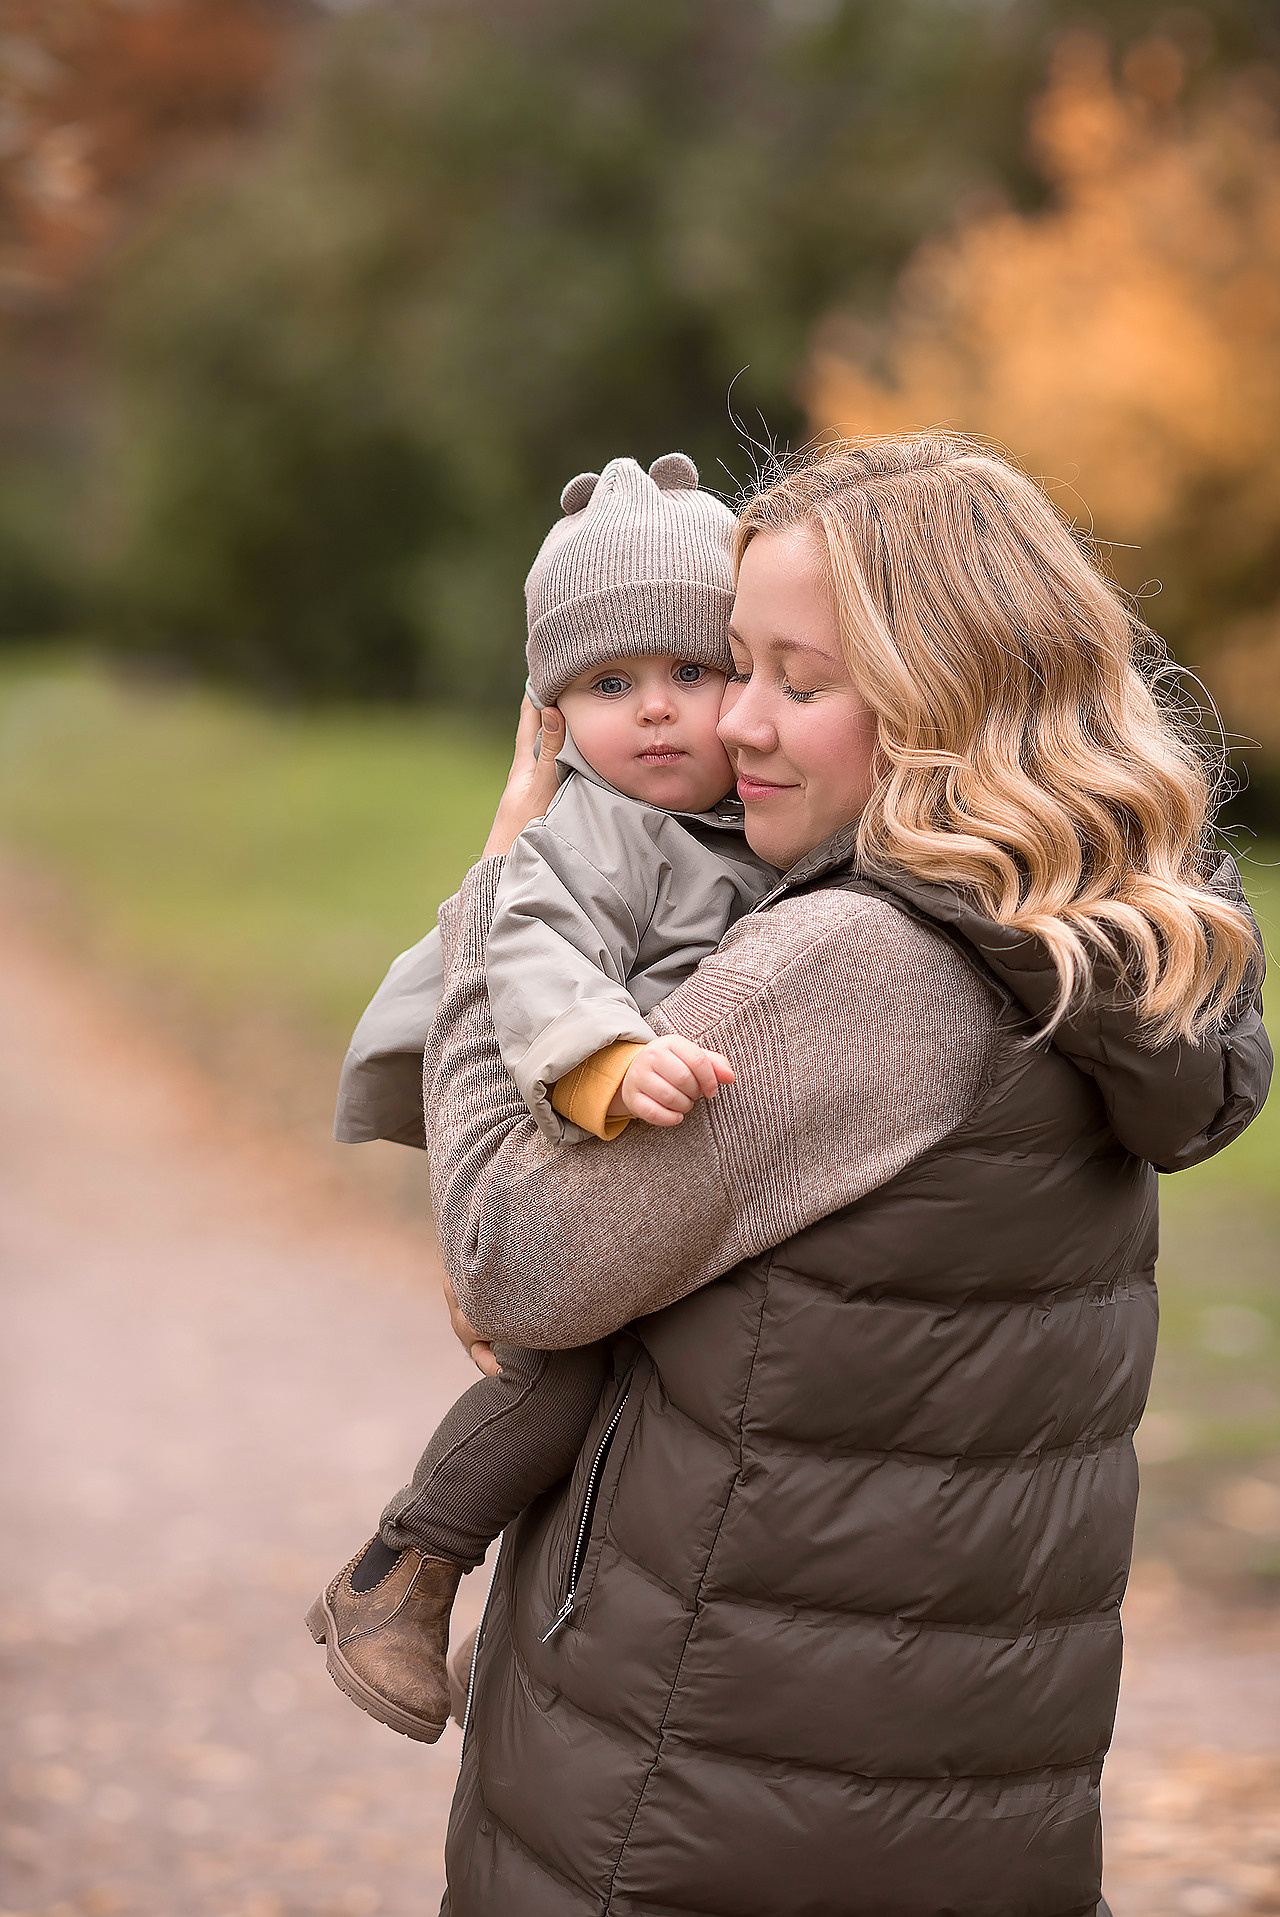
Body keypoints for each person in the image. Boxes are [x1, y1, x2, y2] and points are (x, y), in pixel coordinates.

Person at [420, 436, 1272, 1917]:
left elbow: (513, 1262)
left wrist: (495, 903)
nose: (732, 720)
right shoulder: (1082, 934)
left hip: (699, 1805)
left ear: (945, 695)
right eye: (729, 659)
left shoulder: (853, 969)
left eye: (796, 681)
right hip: (944, 1798)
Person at [307, 454, 776, 1744]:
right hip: (571, 1123)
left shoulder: (764, 815)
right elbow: (531, 953)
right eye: (611, 685)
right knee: (565, 1377)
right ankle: (399, 1571)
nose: (663, 713)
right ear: (552, 708)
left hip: (686, 1156)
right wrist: (603, 1061)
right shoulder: (590, 831)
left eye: (697, 671)